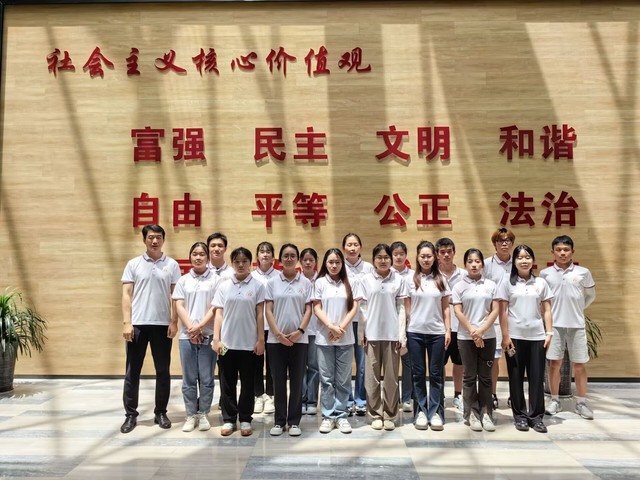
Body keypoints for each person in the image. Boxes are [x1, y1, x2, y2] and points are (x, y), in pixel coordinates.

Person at [120, 224, 181, 434]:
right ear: (144, 239)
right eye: (151, 237)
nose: (154, 241)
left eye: (158, 237)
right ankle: (130, 415)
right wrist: (127, 322)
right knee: (132, 371)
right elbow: (126, 294)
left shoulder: (172, 265)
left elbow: (176, 296)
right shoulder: (133, 264)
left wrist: (174, 321)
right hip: (137, 325)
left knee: (163, 370)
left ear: (163, 239)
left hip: (162, 325)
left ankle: (160, 412)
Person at [497, 245, 553, 433]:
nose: (524, 260)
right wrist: (505, 336)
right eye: (520, 257)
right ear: (514, 261)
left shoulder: (541, 283)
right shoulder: (507, 282)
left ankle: (536, 417)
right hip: (514, 337)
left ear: (533, 260)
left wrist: (549, 333)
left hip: (537, 337)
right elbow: (503, 311)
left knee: (537, 379)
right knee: (516, 378)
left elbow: (547, 309)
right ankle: (520, 416)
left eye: (527, 257)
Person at [540, 235, 596, 419]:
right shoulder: (545, 274)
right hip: (554, 326)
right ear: (553, 252)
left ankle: (581, 403)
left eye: (566, 249)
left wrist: (579, 308)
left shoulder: (583, 272)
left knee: (579, 365)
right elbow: (542, 299)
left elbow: (591, 295)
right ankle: (555, 400)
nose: (562, 253)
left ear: (572, 251)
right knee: (554, 364)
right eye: (558, 250)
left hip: (577, 325)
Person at [212, 247, 265, 437]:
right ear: (232, 263)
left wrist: (260, 339)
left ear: (251, 263)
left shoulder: (258, 286)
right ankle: (229, 419)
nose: (241, 265)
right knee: (227, 383)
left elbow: (260, 314)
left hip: (249, 344)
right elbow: (219, 314)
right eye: (237, 261)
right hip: (227, 345)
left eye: (244, 261)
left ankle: (245, 419)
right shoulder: (224, 286)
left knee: (248, 384)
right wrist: (216, 339)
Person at [357, 244, 410, 431]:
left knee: (391, 378)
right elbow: (362, 308)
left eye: (386, 257)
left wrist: (401, 335)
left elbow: (401, 308)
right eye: (379, 257)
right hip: (371, 335)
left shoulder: (399, 279)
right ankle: (375, 414)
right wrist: (361, 333)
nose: (383, 260)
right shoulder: (365, 280)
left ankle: (390, 414)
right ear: (373, 260)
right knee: (371, 378)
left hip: (391, 335)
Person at [172, 242, 221, 432]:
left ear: (208, 257)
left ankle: (204, 413)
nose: (198, 257)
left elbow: (216, 306)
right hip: (187, 336)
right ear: (190, 256)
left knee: (207, 378)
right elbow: (179, 305)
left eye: (202, 254)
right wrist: (191, 328)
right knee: (189, 379)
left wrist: (200, 327)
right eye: (194, 254)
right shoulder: (183, 280)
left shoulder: (216, 280)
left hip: (208, 334)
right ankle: (191, 414)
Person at [265, 244, 313, 437]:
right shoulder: (272, 282)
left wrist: (299, 331)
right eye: (286, 256)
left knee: (296, 382)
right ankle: (279, 421)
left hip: (299, 341)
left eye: (293, 256)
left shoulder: (306, 283)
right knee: (278, 382)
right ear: (280, 259)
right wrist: (278, 334)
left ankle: (294, 422)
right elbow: (268, 310)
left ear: (298, 259)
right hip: (275, 341)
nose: (289, 259)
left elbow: (308, 310)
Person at [452, 248, 500, 432]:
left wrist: (482, 331)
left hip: (488, 336)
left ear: (482, 264)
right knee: (469, 376)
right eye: (470, 261)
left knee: (486, 377)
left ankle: (486, 412)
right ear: (465, 264)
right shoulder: (459, 286)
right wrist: (473, 331)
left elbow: (495, 310)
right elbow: (458, 311)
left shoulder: (491, 285)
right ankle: (471, 413)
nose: (474, 265)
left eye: (477, 261)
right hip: (466, 337)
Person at [407, 241, 451, 431]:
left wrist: (447, 330)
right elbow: (407, 309)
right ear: (417, 257)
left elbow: (446, 308)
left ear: (435, 257)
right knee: (417, 374)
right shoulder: (410, 279)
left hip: (437, 333)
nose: (426, 259)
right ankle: (421, 412)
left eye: (429, 256)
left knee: (436, 374)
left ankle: (436, 412)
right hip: (415, 333)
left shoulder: (441, 279)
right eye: (422, 256)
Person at [314, 248, 359, 434]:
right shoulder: (319, 282)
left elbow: (354, 307)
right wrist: (330, 327)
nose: (334, 265)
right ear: (325, 263)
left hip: (345, 338)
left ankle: (341, 415)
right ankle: (327, 416)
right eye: (331, 262)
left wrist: (340, 328)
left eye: (337, 262)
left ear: (342, 264)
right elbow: (317, 307)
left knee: (343, 380)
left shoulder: (351, 282)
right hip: (324, 338)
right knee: (326, 379)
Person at [483, 227, 516, 410]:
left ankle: (514, 394)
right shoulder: (486, 264)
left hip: (515, 317)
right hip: (494, 318)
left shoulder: (518, 262)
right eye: (500, 241)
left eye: (507, 240)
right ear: (494, 244)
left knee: (514, 358)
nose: (504, 244)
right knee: (494, 359)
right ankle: (492, 394)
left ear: (512, 243)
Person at [342, 233, 374, 416]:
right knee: (345, 364)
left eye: (355, 244)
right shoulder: (339, 266)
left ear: (360, 247)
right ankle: (346, 400)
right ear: (344, 248)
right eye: (349, 245)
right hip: (344, 321)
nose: (352, 248)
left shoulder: (369, 268)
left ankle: (361, 400)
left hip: (364, 321)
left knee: (363, 364)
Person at [436, 237, 465, 412]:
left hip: (460, 327)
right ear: (437, 255)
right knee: (439, 363)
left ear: (454, 252)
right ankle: (439, 394)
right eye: (442, 252)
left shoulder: (464, 274)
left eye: (449, 251)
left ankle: (457, 395)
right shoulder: (434, 275)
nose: (446, 255)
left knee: (459, 363)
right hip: (439, 327)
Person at [251, 241, 279, 414]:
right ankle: (258, 395)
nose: (265, 254)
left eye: (268, 251)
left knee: (272, 363)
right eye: (262, 251)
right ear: (257, 256)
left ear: (273, 257)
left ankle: (270, 395)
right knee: (255, 362)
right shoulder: (251, 276)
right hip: (255, 326)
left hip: (274, 326)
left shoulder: (279, 276)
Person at [390, 241, 414, 413]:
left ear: (406, 255)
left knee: (408, 362)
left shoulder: (413, 275)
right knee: (391, 362)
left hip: (410, 323)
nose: (398, 257)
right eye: (395, 254)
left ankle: (407, 398)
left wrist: (408, 318)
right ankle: (392, 398)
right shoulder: (386, 274)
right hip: (389, 323)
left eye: (401, 254)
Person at [300, 248, 320, 415]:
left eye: (311, 260)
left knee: (313, 366)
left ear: (315, 262)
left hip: (316, 330)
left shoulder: (321, 280)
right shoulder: (296, 280)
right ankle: (301, 399)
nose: (307, 263)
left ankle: (312, 401)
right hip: (299, 331)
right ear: (300, 262)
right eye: (305, 260)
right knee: (299, 366)